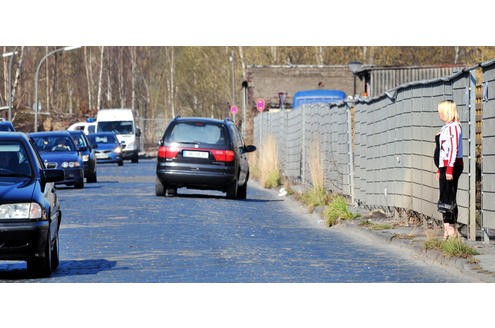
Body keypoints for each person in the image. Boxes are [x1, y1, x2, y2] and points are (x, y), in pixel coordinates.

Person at [435, 100, 463, 239]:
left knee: (449, 197)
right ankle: (447, 228)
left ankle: (451, 230)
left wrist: (449, 169)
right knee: (444, 198)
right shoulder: (446, 127)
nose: (439, 114)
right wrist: (440, 169)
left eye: (441, 111)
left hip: (452, 165)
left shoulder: (454, 127)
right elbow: (442, 151)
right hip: (444, 165)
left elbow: (453, 149)